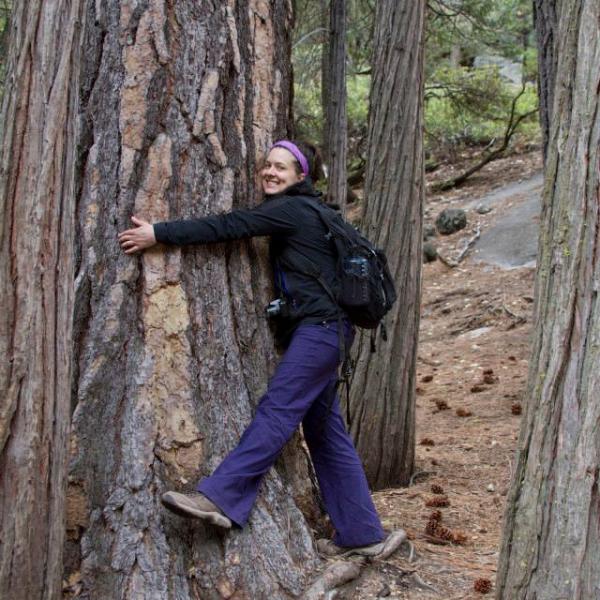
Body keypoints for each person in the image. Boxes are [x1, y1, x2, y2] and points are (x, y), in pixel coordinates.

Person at [117, 140, 390, 557]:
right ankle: (363, 533)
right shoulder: (315, 212)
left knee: (278, 410)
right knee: (325, 432)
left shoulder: (292, 210)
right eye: (267, 165)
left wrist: (158, 233)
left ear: (302, 176)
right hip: (328, 332)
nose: (270, 172)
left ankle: (222, 497)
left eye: (282, 167)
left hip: (320, 333)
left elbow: (229, 225)